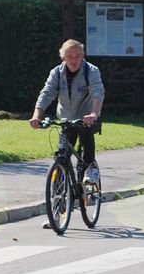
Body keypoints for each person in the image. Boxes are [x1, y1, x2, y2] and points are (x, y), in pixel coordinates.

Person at [29, 39, 105, 184]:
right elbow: (47, 93)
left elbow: (97, 91)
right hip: (66, 117)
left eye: (78, 56)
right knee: (63, 151)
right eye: (70, 57)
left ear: (82, 56)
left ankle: (91, 168)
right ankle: (60, 180)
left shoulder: (91, 71)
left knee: (86, 134)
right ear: (63, 57)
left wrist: (94, 113)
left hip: (87, 116)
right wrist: (36, 116)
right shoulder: (57, 72)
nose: (74, 60)